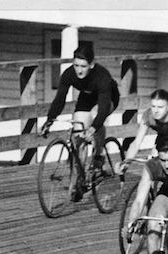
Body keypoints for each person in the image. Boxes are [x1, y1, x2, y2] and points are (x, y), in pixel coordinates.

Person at [41, 45, 120, 201]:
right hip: (87, 97)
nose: (79, 70)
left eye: (83, 66)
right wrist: (49, 120)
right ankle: (80, 178)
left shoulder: (102, 76)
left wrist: (93, 128)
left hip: (107, 97)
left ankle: (98, 157)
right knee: (78, 134)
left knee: (96, 117)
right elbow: (59, 99)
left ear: (91, 65)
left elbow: (103, 110)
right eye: (76, 65)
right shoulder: (69, 74)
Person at [123, 88, 168, 165]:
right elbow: (136, 142)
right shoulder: (148, 115)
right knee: (155, 160)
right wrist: (126, 163)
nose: (155, 111)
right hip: (164, 135)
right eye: (153, 106)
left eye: (160, 107)